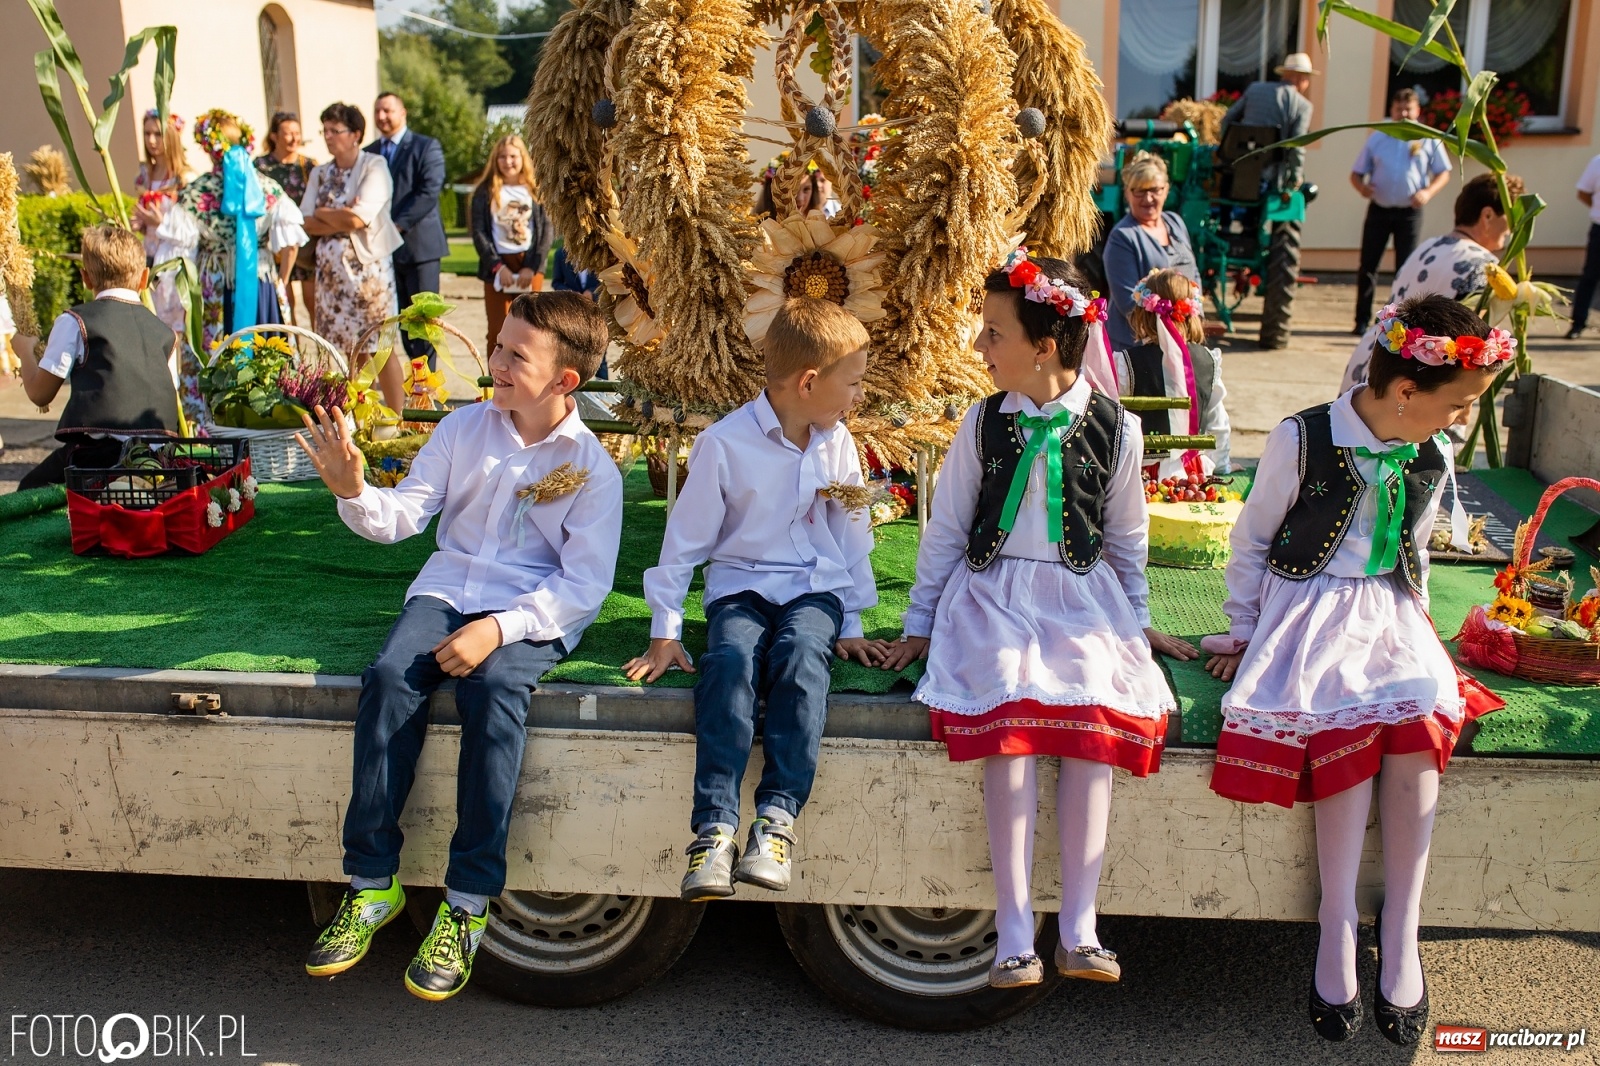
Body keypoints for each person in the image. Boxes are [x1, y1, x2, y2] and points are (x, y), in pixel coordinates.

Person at [879, 250, 1197, 989]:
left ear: (1044, 346)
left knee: (1093, 721)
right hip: (992, 596)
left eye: (993, 333)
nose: (980, 347)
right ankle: (1015, 929)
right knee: (1010, 722)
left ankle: (1080, 926)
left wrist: (1136, 624)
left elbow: (1126, 537)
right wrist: (920, 625)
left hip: (1080, 600)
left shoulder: (1115, 426)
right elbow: (948, 528)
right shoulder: (985, 421)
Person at [292, 291, 622, 1002]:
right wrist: (355, 492)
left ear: (565, 380)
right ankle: (370, 883)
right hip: (446, 590)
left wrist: (496, 630)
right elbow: (406, 513)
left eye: (514, 355)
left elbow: (584, 586)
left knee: (496, 691)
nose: (495, 363)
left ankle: (468, 903)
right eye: (499, 346)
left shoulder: (596, 469)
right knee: (387, 677)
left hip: (530, 611)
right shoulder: (462, 428)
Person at [1202, 294, 1510, 1046]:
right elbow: (1251, 542)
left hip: (1389, 607)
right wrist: (1245, 632)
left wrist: (1424, 628)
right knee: (1344, 706)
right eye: (1457, 404)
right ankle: (1335, 917)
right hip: (1309, 605)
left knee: (1421, 714)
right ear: (1406, 391)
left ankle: (1401, 924)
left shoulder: (1430, 452)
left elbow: (1419, 553)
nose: (1460, 421)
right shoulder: (1301, 437)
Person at [624, 297, 891, 902]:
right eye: (851, 383)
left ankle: (776, 820)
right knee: (729, 664)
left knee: (800, 661)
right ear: (808, 382)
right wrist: (665, 630)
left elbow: (850, 532)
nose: (856, 396)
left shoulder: (836, 441)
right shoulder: (724, 444)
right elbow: (683, 541)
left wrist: (850, 618)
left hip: (813, 588)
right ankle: (714, 828)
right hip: (741, 585)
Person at [162, 108, 306, 425]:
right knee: (266, 349)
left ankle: (213, 424)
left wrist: (176, 299)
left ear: (206, 145)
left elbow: (176, 254)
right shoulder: (268, 187)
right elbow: (291, 242)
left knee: (216, 350)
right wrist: (280, 281)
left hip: (215, 284)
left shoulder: (197, 192)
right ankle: (269, 422)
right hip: (261, 282)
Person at [14, 225, 181, 489]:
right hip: (158, 460)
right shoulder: (166, 333)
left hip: (98, 459)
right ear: (144, 277)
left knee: (28, 490)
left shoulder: (76, 321)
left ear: (85, 278)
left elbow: (39, 394)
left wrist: (24, 350)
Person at [1340, 173, 1522, 394]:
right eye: (1511, 219)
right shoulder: (1484, 265)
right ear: (1487, 215)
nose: (1511, 230)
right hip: (1412, 382)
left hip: (1371, 359)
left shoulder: (1429, 245)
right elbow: (1471, 345)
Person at [301, 103, 405, 414]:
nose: (328, 137)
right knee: (345, 352)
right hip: (332, 278)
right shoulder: (320, 173)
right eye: (325, 131)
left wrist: (329, 215)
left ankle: (397, 419)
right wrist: (338, 214)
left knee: (379, 348)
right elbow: (305, 219)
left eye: (335, 130)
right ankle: (359, 418)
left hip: (368, 275)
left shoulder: (375, 166)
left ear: (356, 134)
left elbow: (359, 220)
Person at [1221, 51, 1317, 349]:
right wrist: (1294, 179)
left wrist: (1226, 155)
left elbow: (1227, 120)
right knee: (1286, 218)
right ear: (1301, 79)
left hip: (1237, 178)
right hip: (1270, 182)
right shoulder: (1301, 105)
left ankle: (1228, 227)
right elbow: (1297, 145)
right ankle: (1273, 333)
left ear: (1283, 73)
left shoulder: (1254, 90)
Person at [1349, 90, 1453, 333]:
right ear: (1392, 110)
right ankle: (1361, 320)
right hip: (1380, 210)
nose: (1404, 114)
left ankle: (1400, 321)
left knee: (1405, 269)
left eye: (1408, 109)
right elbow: (1356, 174)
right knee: (1368, 265)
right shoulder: (1378, 136)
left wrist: (1427, 192)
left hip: (1409, 213)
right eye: (1399, 109)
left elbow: (1443, 172)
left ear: (1417, 111)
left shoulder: (1427, 138)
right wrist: (1362, 188)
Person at [1114, 268, 1231, 478]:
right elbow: (1218, 423)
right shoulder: (1208, 360)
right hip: (1193, 476)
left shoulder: (1126, 363)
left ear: (1142, 314)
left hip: (1140, 477)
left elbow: (1113, 422)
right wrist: (1221, 466)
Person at [366, 92, 448, 366]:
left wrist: (396, 225)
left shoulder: (426, 147)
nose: (381, 116)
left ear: (403, 113)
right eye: (377, 111)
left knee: (424, 323)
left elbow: (429, 191)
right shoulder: (369, 152)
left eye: (387, 110)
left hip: (419, 249)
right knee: (401, 325)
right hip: (383, 252)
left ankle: (428, 391)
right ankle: (415, 388)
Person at [1103, 151, 1199, 354]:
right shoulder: (1123, 237)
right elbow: (1128, 302)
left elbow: (1194, 275)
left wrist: (1193, 319)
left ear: (1166, 190)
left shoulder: (1175, 222)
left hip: (1181, 340)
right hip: (1138, 348)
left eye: (1155, 190)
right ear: (1127, 193)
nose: (1148, 198)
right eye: (1139, 191)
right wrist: (1164, 336)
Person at [470, 134, 553, 358]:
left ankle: (527, 386)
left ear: (522, 157)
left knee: (531, 329)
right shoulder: (485, 191)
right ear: (495, 160)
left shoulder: (536, 189)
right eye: (502, 157)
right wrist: (498, 267)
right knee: (497, 331)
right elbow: (478, 232)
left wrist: (531, 266)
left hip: (528, 263)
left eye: (513, 156)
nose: (508, 161)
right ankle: (495, 386)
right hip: (498, 266)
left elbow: (546, 232)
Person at [131, 109, 190, 337]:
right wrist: (140, 223)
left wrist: (161, 222)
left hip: (173, 260)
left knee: (173, 330)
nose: (151, 140)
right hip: (149, 256)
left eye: (157, 134)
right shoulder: (145, 175)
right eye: (146, 134)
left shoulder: (183, 178)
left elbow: (191, 231)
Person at [256, 111, 318, 327]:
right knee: (285, 301)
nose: (293, 138)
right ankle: (294, 355)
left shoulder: (309, 166)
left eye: (297, 133)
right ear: (274, 136)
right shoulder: (261, 166)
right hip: (276, 244)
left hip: (306, 243)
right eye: (287, 133)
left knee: (313, 303)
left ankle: (322, 355)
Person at [1567, 151, 1600, 338]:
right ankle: (1578, 324)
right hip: (1599, 228)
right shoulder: (1597, 162)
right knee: (1590, 277)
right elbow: (1583, 193)